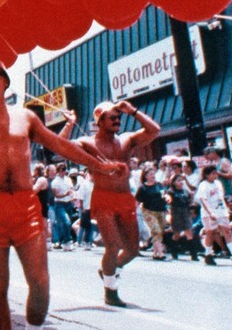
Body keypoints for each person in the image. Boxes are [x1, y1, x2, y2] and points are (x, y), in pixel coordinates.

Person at [0, 58, 123, 330]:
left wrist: (99, 164)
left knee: (41, 283)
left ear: (6, 81)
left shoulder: (25, 117)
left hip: (26, 206)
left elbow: (60, 145)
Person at [60, 100, 159, 308]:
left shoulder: (126, 139)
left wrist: (133, 110)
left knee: (132, 250)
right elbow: (61, 147)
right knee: (112, 246)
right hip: (103, 198)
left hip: (125, 199)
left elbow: (154, 130)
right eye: (112, 117)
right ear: (100, 120)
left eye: (118, 117)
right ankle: (110, 290)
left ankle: (108, 272)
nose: (117, 120)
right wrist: (69, 124)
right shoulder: (88, 142)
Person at [196, 165, 232, 266]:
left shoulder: (218, 184)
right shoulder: (203, 185)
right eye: (212, 174)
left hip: (220, 211)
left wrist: (226, 210)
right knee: (211, 233)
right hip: (208, 212)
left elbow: (221, 198)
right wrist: (210, 212)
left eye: (215, 173)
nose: (215, 175)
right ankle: (208, 255)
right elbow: (203, 200)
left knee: (227, 231)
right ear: (207, 175)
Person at [134, 165, 167, 260]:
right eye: (150, 174)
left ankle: (156, 252)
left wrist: (167, 200)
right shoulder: (142, 188)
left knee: (160, 231)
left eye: (153, 173)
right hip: (149, 211)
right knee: (156, 230)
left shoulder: (159, 185)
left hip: (160, 211)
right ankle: (160, 253)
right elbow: (137, 202)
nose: (153, 175)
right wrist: (132, 212)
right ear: (145, 176)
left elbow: (164, 195)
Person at [164, 174, 197, 260]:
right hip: (176, 213)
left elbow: (190, 202)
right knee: (176, 234)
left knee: (189, 232)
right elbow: (167, 199)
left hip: (185, 212)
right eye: (178, 180)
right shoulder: (171, 192)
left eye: (181, 180)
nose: (181, 182)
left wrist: (192, 198)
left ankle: (194, 254)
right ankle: (174, 251)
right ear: (174, 182)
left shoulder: (185, 191)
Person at [50, 163, 75, 251]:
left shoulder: (68, 179)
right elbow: (56, 195)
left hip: (68, 203)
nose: (62, 172)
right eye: (60, 170)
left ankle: (64, 242)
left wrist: (72, 195)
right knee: (66, 222)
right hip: (59, 204)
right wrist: (65, 194)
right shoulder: (55, 182)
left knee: (67, 224)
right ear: (58, 171)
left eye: (64, 170)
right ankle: (68, 241)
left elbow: (72, 189)